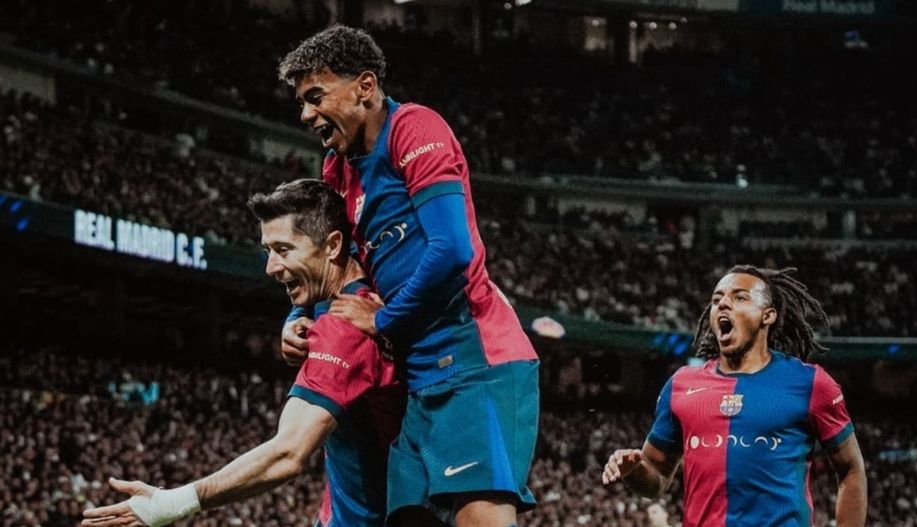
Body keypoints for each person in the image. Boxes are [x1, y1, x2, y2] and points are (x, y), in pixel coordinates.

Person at [277, 25, 540, 527]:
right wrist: (298, 315)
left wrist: (385, 320)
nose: (306, 114)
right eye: (302, 102)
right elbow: (332, 262)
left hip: (472, 359)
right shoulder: (338, 169)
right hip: (419, 377)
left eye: (316, 97)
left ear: (365, 86)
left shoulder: (414, 128)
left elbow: (451, 249)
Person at [81, 180, 409, 527]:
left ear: (332, 245)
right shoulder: (351, 285)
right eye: (268, 250)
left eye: (284, 250)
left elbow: (288, 453)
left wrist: (173, 502)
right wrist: (294, 317)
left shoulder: (344, 329)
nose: (271, 267)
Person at [602, 266, 867, 527]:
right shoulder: (681, 384)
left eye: (740, 297)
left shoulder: (810, 383)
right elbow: (657, 477)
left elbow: (851, 470)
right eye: (717, 299)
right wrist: (634, 470)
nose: (723, 304)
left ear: (767, 315)